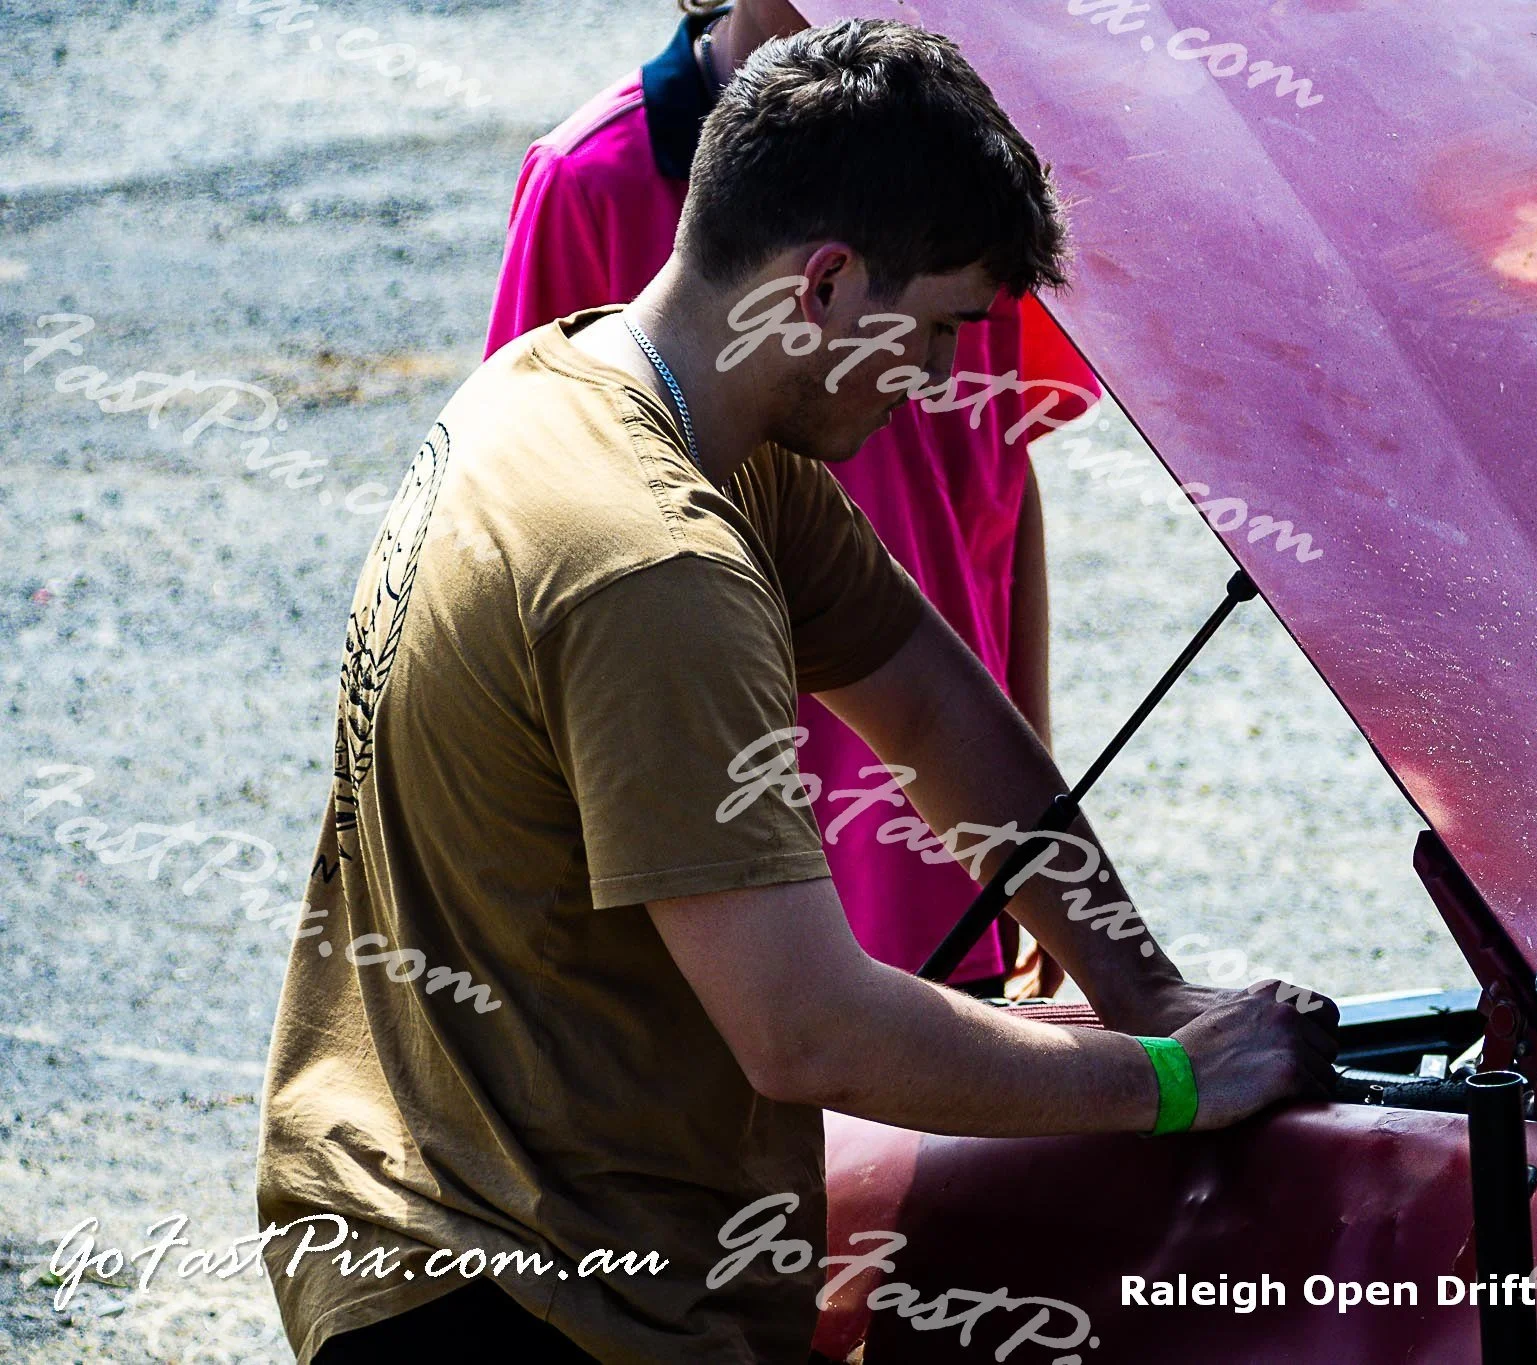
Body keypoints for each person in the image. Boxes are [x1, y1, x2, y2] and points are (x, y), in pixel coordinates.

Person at [258, 20, 1336, 1364]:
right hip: (514, 1300)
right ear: (823, 283)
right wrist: (1168, 1080)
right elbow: (806, 1032)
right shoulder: (653, 564)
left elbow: (933, 705)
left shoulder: (583, 389)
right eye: (934, 330)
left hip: (450, 1214)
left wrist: (1145, 989)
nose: (939, 383)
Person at [486, 0, 1093, 998]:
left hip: (942, 843)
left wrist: (1038, 827)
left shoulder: (968, 174)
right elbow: (527, 543)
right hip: (710, 883)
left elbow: (1000, 479)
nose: (935, 372)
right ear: (823, 280)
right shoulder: (588, 181)